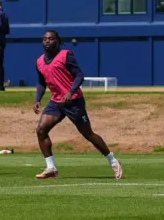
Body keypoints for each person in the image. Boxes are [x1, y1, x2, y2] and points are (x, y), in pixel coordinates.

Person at [33, 30, 123, 180]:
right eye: (45, 39)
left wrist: (70, 92)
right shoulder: (39, 61)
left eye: (51, 38)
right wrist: (38, 99)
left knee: (88, 134)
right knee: (41, 130)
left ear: (57, 41)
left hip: (73, 101)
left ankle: (113, 160)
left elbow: (79, 75)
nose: (47, 41)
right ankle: (51, 168)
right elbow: (42, 82)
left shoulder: (66, 55)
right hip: (56, 101)